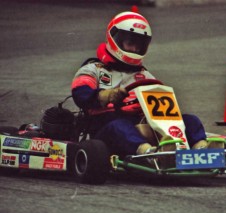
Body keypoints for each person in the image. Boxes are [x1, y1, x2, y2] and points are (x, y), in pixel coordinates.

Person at [71, 11, 212, 158]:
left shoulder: (144, 75)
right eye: (130, 43)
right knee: (121, 127)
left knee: (190, 120)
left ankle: (200, 149)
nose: (135, 49)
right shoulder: (93, 69)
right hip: (106, 128)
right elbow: (80, 93)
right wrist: (106, 95)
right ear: (115, 38)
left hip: (142, 124)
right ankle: (148, 153)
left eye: (139, 45)